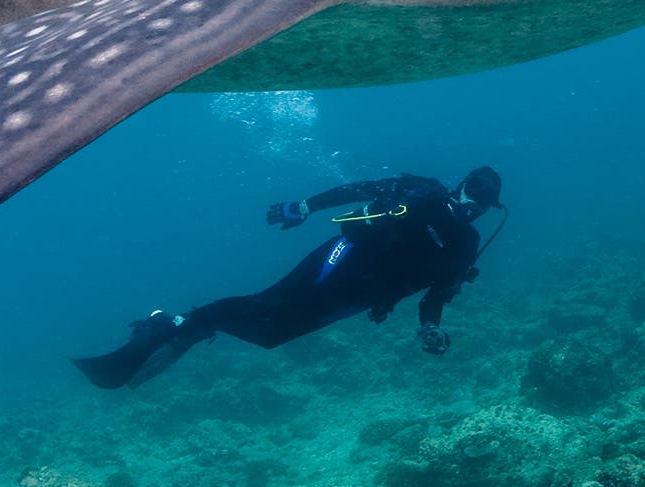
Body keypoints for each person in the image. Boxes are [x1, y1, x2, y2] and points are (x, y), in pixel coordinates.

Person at [74, 166, 504, 390]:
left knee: (272, 334)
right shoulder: (425, 192)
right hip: (342, 258)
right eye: (472, 190)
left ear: (490, 207)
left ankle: (193, 328)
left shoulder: (466, 243)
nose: (474, 202)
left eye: (483, 200)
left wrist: (432, 327)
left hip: (363, 295)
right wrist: (305, 205)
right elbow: (359, 188)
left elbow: (437, 295)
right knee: (269, 304)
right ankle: (173, 326)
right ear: (460, 183)